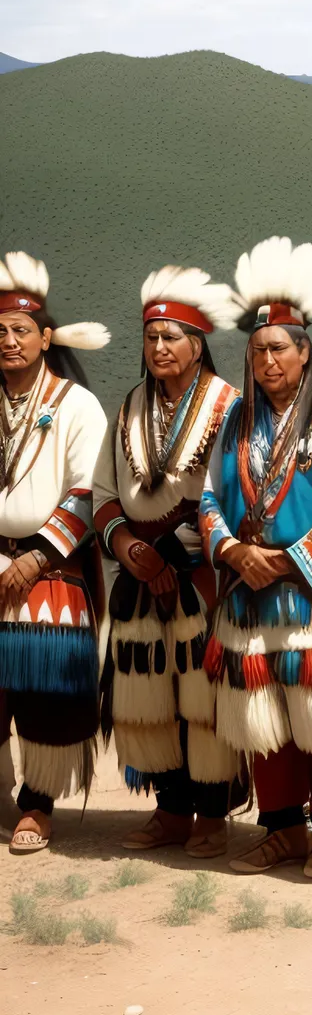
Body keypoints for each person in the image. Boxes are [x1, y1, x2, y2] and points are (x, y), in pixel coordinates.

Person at [199, 237, 312, 880]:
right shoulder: (237, 420)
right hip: (248, 591)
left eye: (280, 348)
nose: (268, 360)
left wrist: (288, 558)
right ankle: (282, 830)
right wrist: (235, 551)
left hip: (310, 597)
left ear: (305, 351)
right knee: (260, 717)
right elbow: (211, 498)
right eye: (258, 350)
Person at [94, 266, 243, 858]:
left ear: (198, 345)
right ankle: (171, 810)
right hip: (138, 573)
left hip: (198, 574)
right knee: (151, 700)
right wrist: (127, 547)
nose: (158, 348)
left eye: (171, 337)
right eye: (151, 338)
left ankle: (213, 815)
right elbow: (106, 494)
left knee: (204, 701)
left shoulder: (228, 403)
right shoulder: (130, 404)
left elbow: (233, 493)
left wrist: (169, 550)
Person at [0, 251, 109, 853]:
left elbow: (86, 491)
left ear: (45, 338)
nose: (9, 342)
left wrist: (36, 557)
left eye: (20, 331)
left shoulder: (75, 404)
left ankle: (38, 805)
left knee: (45, 688)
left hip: (51, 567)